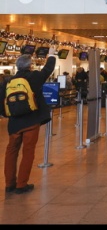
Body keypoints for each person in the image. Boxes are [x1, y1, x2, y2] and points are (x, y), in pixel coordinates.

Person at [0, 47, 56, 194]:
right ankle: (21, 184)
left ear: (16, 66)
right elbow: (48, 69)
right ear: (30, 66)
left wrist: (8, 115)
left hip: (14, 124)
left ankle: (9, 184)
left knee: (11, 152)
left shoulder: (7, 81)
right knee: (28, 152)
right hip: (31, 121)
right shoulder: (34, 77)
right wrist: (51, 55)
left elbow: (2, 102)